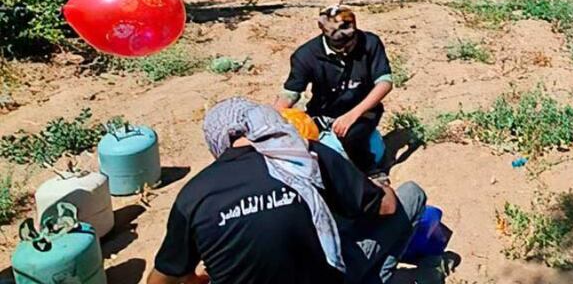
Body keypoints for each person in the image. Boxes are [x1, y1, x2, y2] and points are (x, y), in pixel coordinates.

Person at [148, 98, 426, 284]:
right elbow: (387, 206)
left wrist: (196, 278)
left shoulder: (195, 193)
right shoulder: (306, 154)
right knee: (411, 195)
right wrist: (371, 183)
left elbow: (161, 278)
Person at [275, 5, 393, 174]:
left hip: (363, 112)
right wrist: (272, 119)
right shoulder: (306, 55)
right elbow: (291, 93)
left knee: (352, 138)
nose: (346, 49)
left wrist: (352, 115)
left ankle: (373, 174)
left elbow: (384, 82)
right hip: (322, 115)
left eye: (350, 43)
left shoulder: (370, 43)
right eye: (339, 45)